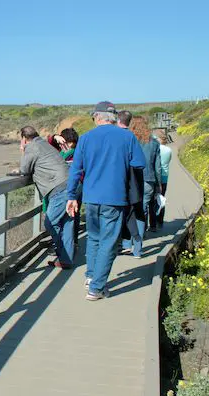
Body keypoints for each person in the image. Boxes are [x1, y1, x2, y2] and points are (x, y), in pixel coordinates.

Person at [66, 101, 146, 300]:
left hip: (91, 198)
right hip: (115, 197)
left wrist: (71, 197)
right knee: (108, 242)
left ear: (97, 116)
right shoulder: (127, 136)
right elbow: (139, 163)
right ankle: (97, 288)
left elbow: (76, 170)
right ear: (114, 117)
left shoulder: (85, 138)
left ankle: (90, 276)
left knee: (94, 238)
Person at [14, 126, 74, 268]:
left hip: (59, 187)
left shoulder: (32, 147)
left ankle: (64, 256)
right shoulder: (43, 143)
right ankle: (66, 260)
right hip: (70, 183)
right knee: (66, 223)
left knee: (50, 223)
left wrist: (23, 150)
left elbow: (24, 170)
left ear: (23, 138)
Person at [122, 117, 162, 257]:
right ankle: (138, 246)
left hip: (131, 180)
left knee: (128, 211)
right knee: (141, 211)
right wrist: (158, 185)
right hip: (149, 180)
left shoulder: (128, 141)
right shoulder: (154, 143)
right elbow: (158, 167)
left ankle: (127, 244)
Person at [48, 128, 82, 247]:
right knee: (69, 217)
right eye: (66, 143)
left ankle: (67, 245)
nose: (68, 146)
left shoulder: (77, 153)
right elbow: (48, 145)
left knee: (71, 217)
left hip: (74, 187)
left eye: (71, 143)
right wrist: (54, 137)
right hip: (68, 187)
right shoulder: (59, 151)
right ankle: (69, 245)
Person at [155, 130, 172, 229]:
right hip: (164, 176)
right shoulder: (168, 150)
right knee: (161, 198)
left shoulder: (155, 148)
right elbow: (168, 161)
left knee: (153, 200)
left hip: (156, 176)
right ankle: (160, 221)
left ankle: (152, 221)